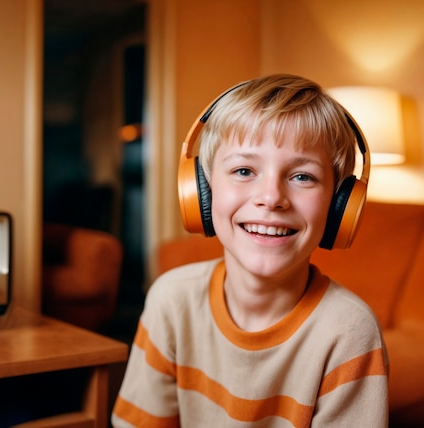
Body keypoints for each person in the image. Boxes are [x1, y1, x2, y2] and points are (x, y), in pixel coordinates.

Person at [112, 74, 389, 427]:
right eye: (244, 170)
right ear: (202, 192)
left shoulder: (349, 332)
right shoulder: (171, 299)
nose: (272, 198)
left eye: (303, 176)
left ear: (339, 206)